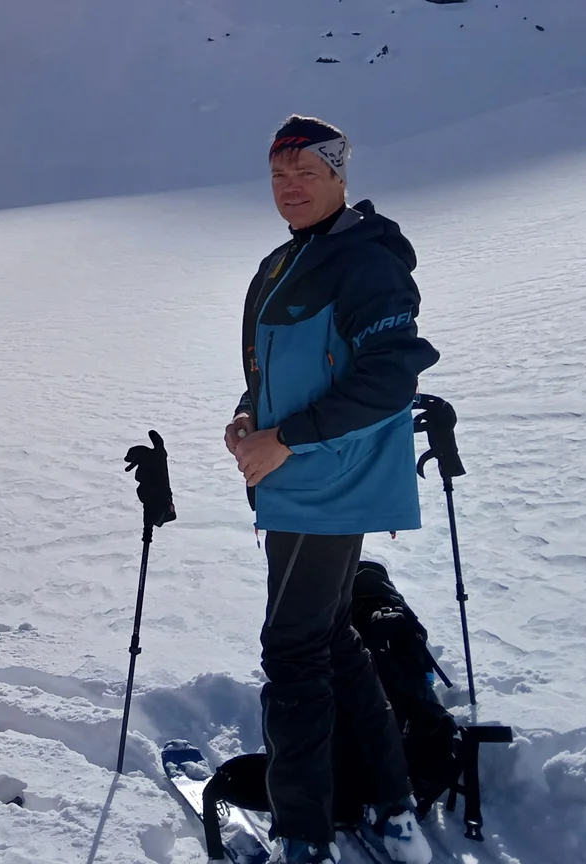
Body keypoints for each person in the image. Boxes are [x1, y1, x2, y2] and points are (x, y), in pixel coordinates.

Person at [224, 118, 439, 864]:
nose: (289, 187)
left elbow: (389, 373)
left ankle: (303, 834)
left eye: (305, 173)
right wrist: (252, 417)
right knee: (329, 639)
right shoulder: (289, 259)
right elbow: (276, 368)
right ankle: (391, 808)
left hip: (328, 480)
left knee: (292, 652)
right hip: (296, 476)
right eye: (279, 174)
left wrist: (284, 438)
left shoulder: (363, 261)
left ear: (340, 176)